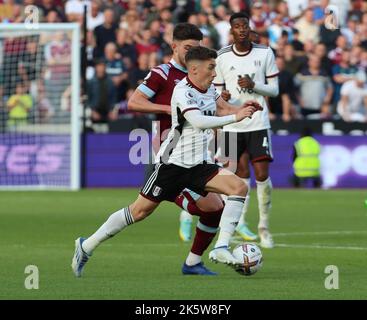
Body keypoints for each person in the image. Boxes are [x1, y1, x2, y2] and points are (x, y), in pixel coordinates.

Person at [71, 46, 262, 277]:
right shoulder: (182, 91)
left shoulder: (210, 89)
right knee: (139, 212)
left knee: (233, 192)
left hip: (199, 164)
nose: (214, 73)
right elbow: (197, 121)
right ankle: (86, 245)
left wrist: (243, 109)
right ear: (194, 69)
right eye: (211, 67)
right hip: (172, 164)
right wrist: (235, 117)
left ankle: (215, 250)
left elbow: (222, 109)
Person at [128, 23, 222, 244]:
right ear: (175, 47)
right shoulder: (162, 73)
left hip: (194, 149)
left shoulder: (200, 76)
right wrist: (170, 110)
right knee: (141, 211)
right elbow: (134, 102)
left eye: (197, 48)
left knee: (215, 206)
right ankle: (88, 243)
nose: (193, 53)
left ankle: (196, 257)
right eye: (188, 48)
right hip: (168, 149)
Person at [213, 12, 279, 248]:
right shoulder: (221, 56)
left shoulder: (264, 53)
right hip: (232, 124)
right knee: (236, 177)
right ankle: (237, 223)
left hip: (258, 123)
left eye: (245, 25)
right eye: (237, 26)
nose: (242, 29)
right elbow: (217, 93)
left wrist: (254, 85)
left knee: (261, 175)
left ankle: (264, 226)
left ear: (249, 29)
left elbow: (275, 90)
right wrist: (224, 96)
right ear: (231, 31)